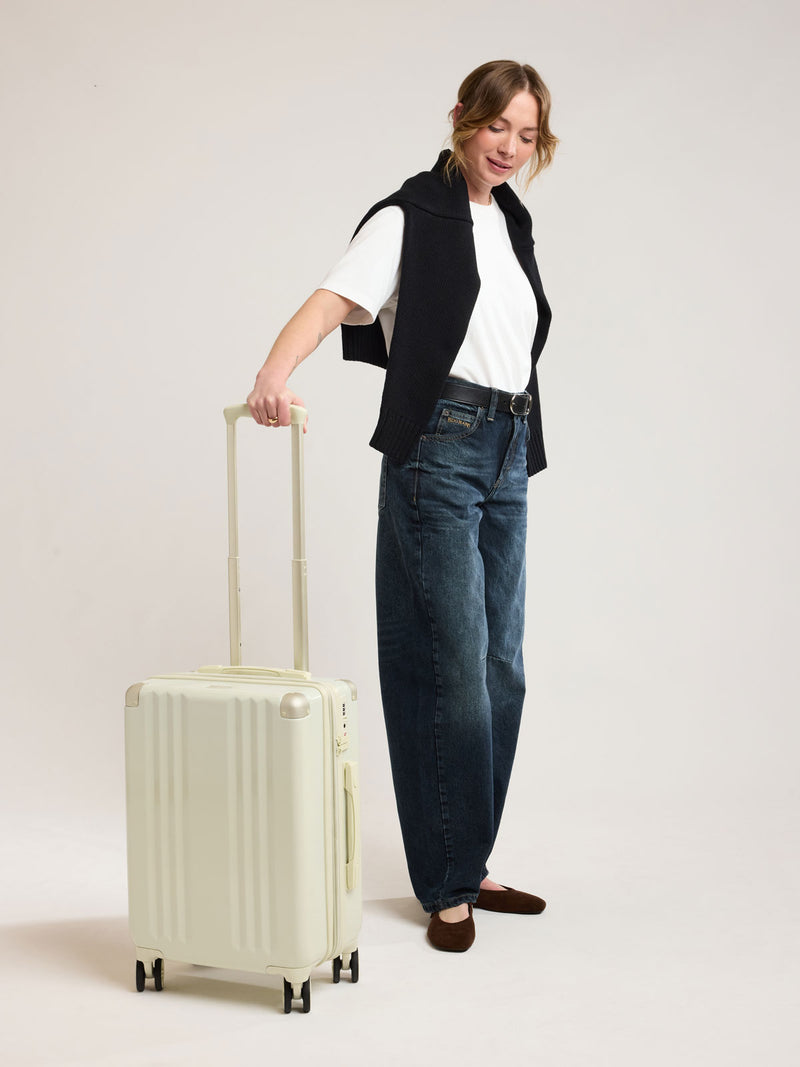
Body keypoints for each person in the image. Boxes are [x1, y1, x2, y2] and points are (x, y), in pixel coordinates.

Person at [247, 59, 558, 952]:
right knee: (450, 665)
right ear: (462, 118)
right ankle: (448, 882)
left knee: (503, 669)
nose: (509, 147)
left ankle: (471, 855)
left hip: (507, 446)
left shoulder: (513, 224)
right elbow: (332, 300)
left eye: (527, 135)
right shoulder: (411, 215)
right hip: (443, 446)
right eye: (497, 126)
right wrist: (274, 374)